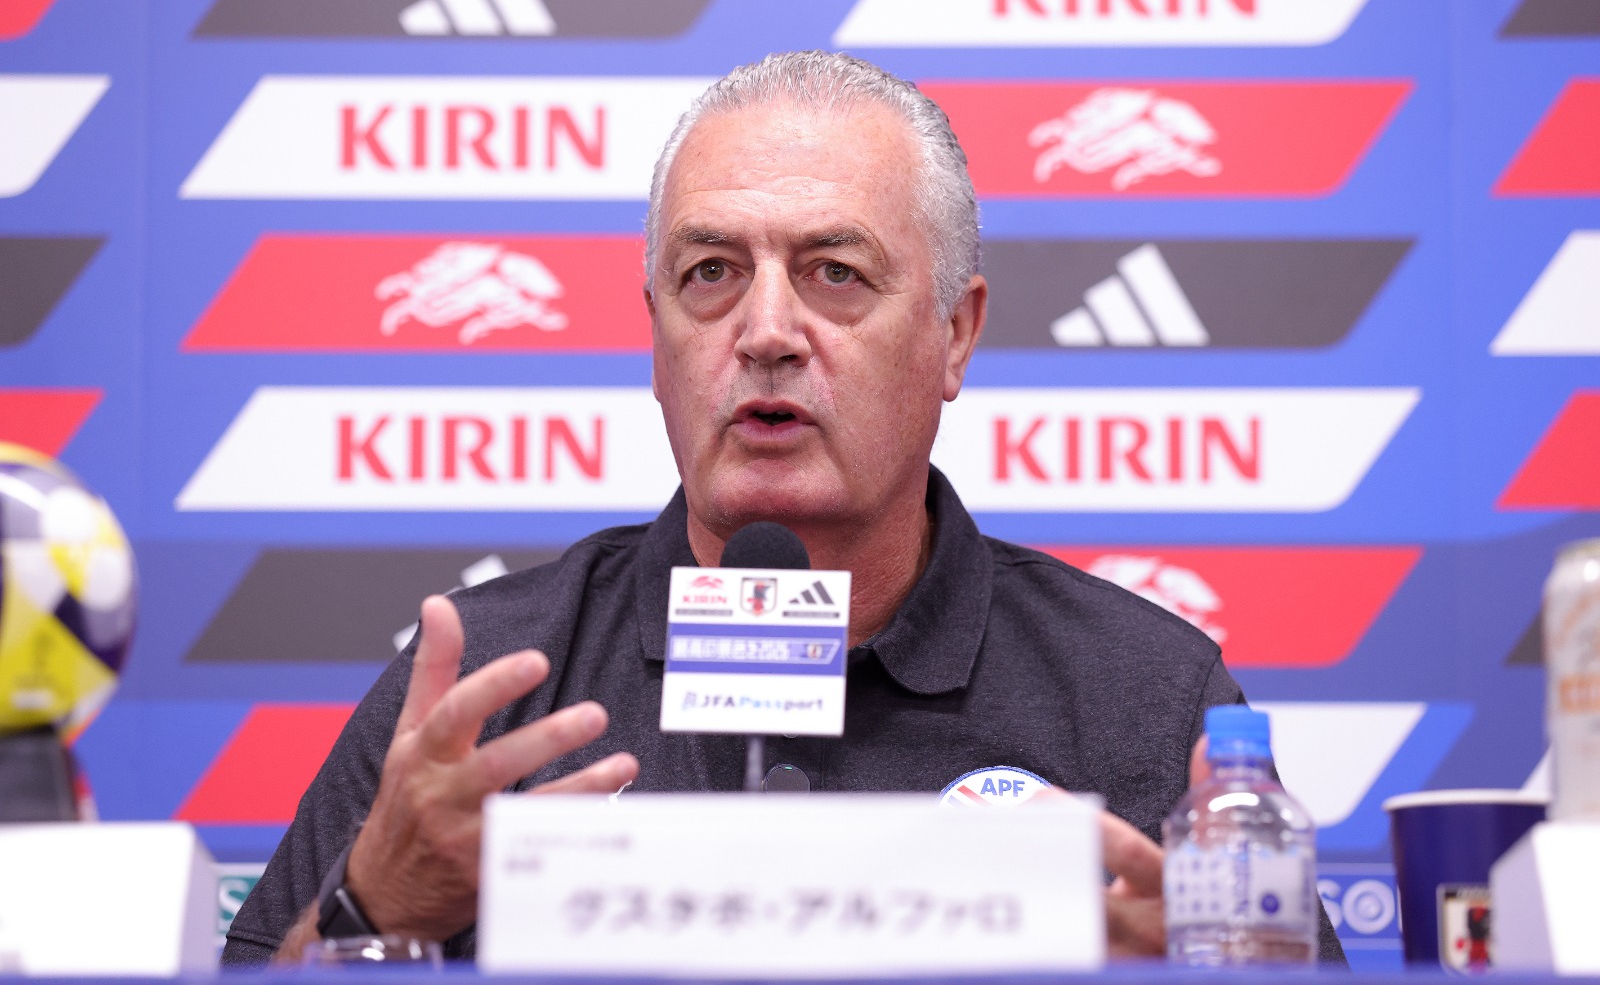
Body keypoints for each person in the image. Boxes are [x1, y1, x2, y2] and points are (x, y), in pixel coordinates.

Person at [224, 52, 1344, 965]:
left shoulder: (1144, 693)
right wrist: (374, 911)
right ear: (655, 336)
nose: (765, 332)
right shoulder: (488, 685)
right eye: (710, 273)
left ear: (955, 335)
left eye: (834, 272)